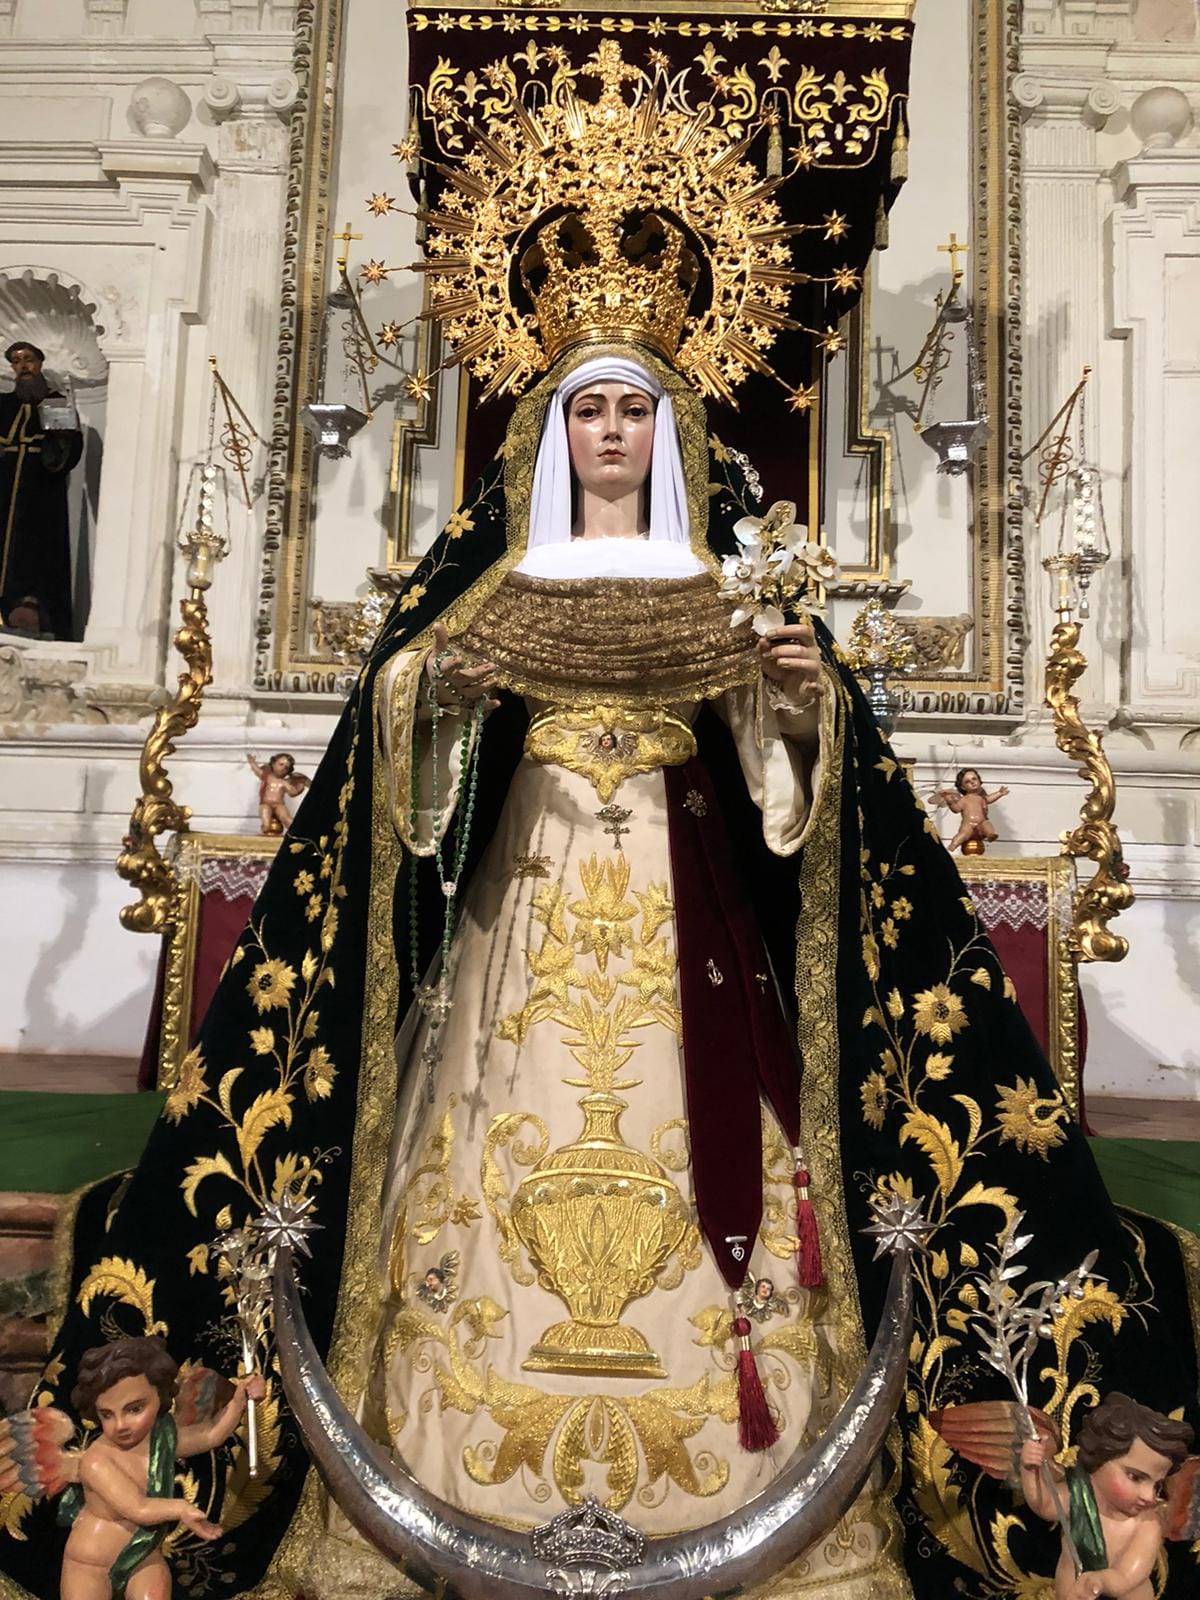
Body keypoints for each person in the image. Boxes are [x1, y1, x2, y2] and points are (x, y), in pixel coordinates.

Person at [1019, 1393, 1194, 1600]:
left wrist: (1101, 1582)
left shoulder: (1147, 1524)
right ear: (1100, 1459)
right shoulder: (1079, 1496)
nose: (1149, 1496)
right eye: (1136, 1477)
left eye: (1157, 1485)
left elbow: (1127, 1576)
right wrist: (1030, 1470)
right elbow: (1045, 1504)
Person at [0, 341, 82, 639]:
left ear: (40, 363)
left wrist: (58, 442)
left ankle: (33, 611)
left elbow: (66, 449)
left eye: (28, 359)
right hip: (4, 486)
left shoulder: (55, 402)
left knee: (36, 548)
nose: (23, 366)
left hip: (40, 490)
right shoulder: (3, 404)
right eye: (16, 361)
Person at [930, 766, 1010, 853]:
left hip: (981, 822)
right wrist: (950, 801)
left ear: (979, 781)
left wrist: (999, 793)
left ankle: (990, 835)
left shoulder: (981, 798)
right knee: (962, 835)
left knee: (987, 824)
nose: (972, 782)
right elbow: (956, 809)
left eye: (974, 779)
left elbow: (990, 799)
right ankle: (952, 846)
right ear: (963, 787)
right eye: (967, 782)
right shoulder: (964, 800)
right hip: (968, 824)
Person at [245, 751, 311, 836]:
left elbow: (292, 792)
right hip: (265, 803)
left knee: (287, 819)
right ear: (273, 764)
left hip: (279, 805)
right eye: (281, 764)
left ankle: (297, 834)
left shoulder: (285, 782)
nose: (283, 768)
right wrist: (252, 763)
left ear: (289, 771)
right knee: (266, 822)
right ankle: (263, 833)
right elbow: (257, 770)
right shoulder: (267, 777)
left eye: (286, 767)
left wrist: (300, 787)